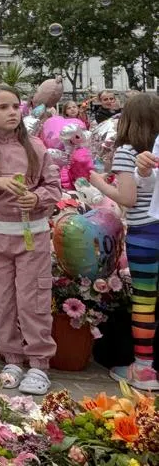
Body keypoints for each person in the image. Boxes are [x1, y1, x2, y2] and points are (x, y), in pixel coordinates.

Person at [0, 85, 62, 396]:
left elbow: (54, 187)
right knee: (2, 302)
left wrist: (36, 198)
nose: (11, 113)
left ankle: (38, 364)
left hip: (31, 236)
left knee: (33, 301)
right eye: (2, 107)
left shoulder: (36, 147)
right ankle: (12, 359)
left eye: (15, 106)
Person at [91, 92, 159, 390]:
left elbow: (128, 198)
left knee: (145, 301)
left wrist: (98, 183)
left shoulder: (127, 151)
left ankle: (143, 369)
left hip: (145, 235)